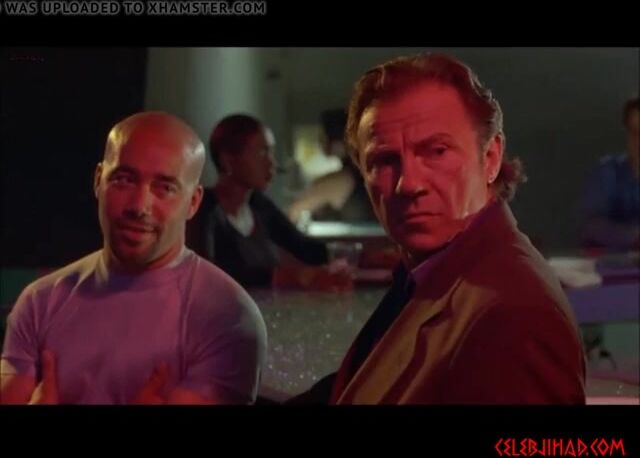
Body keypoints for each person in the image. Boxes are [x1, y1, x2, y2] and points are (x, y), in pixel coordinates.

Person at [290, 53, 586, 404]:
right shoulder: (430, 269)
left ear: (490, 158)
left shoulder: (513, 314)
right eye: (384, 160)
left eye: (436, 151)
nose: (408, 184)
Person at [0, 112, 267, 405]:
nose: (140, 206)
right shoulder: (39, 302)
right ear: (98, 180)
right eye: (124, 180)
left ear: (193, 202)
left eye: (165, 187)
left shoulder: (227, 318)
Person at [186, 114, 329, 288]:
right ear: (228, 160)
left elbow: (303, 247)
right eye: (262, 152)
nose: (272, 163)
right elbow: (205, 274)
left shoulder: (258, 205)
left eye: (271, 152)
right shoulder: (203, 210)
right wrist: (286, 277)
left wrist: (348, 255)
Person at [288, 109, 375, 224]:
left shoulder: (346, 179)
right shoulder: (360, 174)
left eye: (324, 135)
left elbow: (294, 212)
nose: (321, 141)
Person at [580, 96, 639, 252]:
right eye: (635, 133)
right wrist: (633, 236)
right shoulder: (607, 172)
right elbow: (592, 227)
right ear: (626, 134)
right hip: (613, 263)